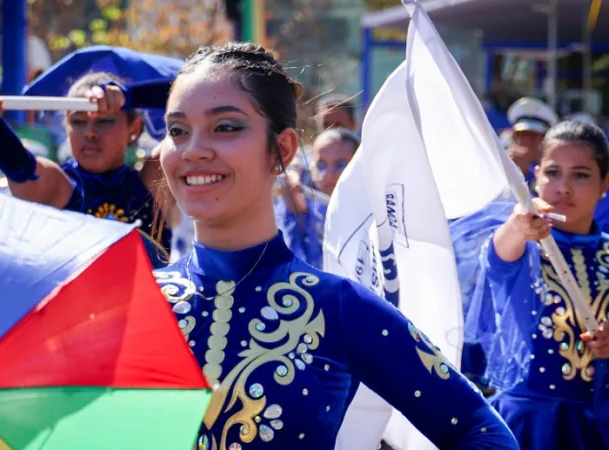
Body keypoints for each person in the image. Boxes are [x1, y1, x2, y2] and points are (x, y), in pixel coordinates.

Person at [150, 42, 517, 449]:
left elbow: (482, 432)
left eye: (225, 127)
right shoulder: (134, 305)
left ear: (282, 150)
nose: (194, 150)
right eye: (177, 130)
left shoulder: (339, 307)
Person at [465, 120, 609, 449]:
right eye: (553, 173)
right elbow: (499, 257)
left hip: (597, 426)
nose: (564, 187)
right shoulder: (523, 243)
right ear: (536, 175)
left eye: (581, 175)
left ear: (604, 184)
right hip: (527, 426)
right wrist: (518, 226)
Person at [0, 73, 172, 268]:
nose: (89, 133)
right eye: (78, 121)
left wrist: (130, 95)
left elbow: (192, 96)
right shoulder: (61, 185)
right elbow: (21, 169)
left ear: (134, 129)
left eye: (105, 120)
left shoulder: (156, 179)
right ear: (66, 127)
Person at [275, 128, 358, 268]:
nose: (329, 174)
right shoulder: (308, 210)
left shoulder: (375, 211)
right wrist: (297, 215)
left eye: (341, 165)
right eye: (321, 165)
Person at [506, 97, 558, 186]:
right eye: (523, 134)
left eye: (534, 135)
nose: (528, 140)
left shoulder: (555, 166)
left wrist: (525, 172)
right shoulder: (504, 162)